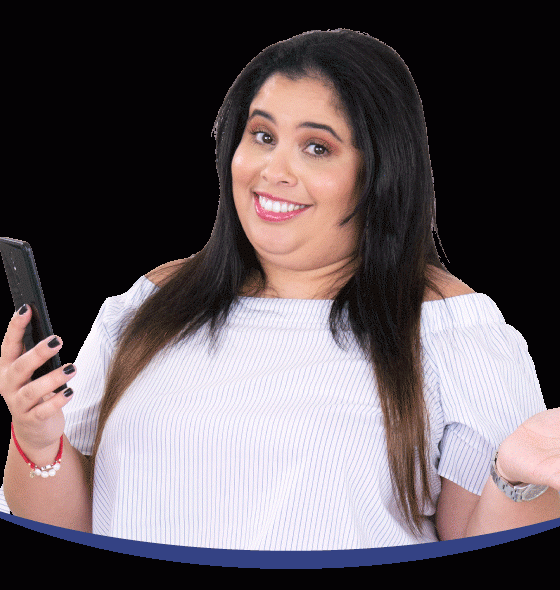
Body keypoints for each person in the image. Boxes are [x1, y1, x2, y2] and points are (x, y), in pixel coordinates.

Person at [1, 30, 558, 550]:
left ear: (380, 172)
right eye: (262, 136)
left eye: (317, 147)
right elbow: (68, 528)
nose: (273, 170)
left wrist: (520, 480)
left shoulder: (450, 330)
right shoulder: (154, 304)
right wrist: (37, 437)